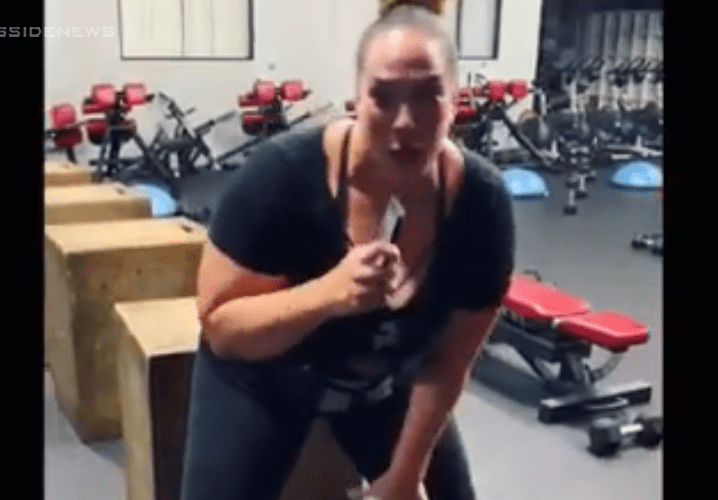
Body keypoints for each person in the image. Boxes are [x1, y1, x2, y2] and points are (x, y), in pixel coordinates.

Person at [179, 4, 515, 500]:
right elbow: (223, 330)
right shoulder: (280, 177)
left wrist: (404, 479)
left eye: (428, 95)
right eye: (383, 97)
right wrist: (329, 295)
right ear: (356, 98)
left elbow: (448, 361)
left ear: (455, 100)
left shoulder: (480, 203)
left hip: (381, 379)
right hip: (265, 376)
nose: (405, 122)